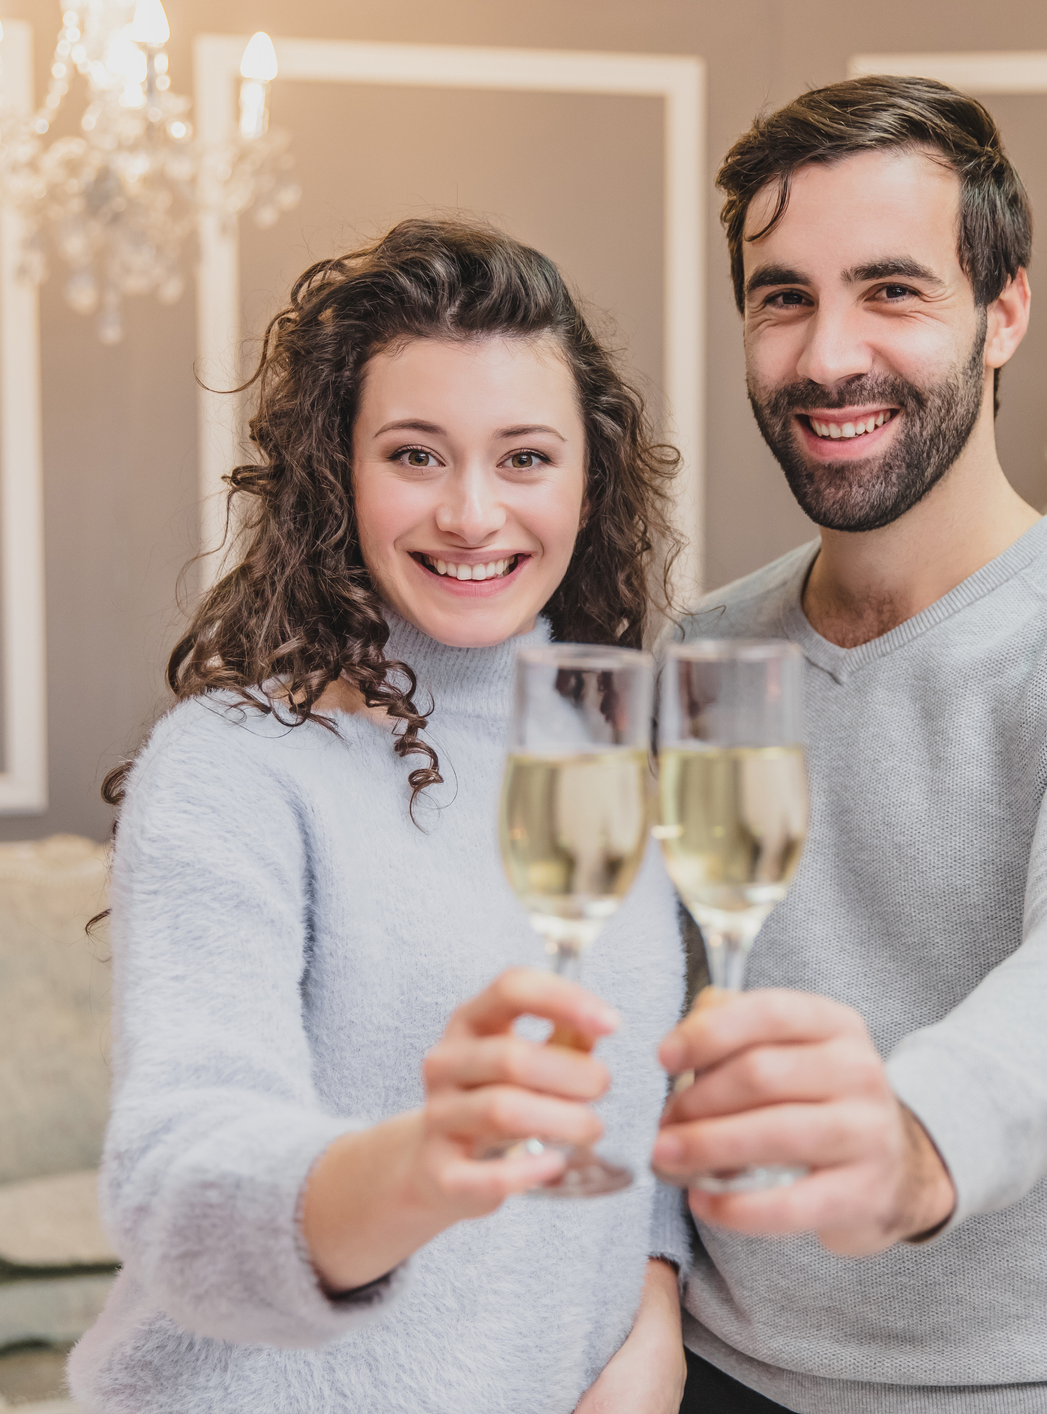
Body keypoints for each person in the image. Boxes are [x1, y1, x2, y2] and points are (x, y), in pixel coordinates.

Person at [652, 77, 1047, 1414]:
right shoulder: (697, 658)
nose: (826, 357)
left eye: (892, 291)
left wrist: (915, 1144)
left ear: (1002, 312)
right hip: (722, 1373)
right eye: (783, 296)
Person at [68, 219, 690, 1414]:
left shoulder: (610, 743)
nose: (471, 513)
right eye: (415, 454)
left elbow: (637, 1108)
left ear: (588, 478)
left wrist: (651, 1297)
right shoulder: (234, 768)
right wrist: (423, 1163)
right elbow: (178, 1194)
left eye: (524, 458)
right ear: (334, 473)